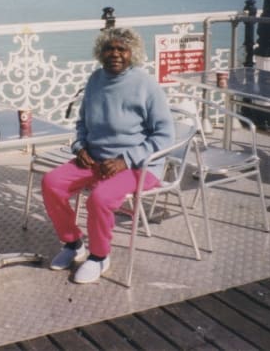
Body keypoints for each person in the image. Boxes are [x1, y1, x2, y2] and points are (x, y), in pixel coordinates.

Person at [41, 27, 174, 284]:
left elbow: (165, 135)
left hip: (139, 165)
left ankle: (99, 256)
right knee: (51, 183)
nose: (115, 54)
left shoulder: (145, 84)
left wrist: (126, 160)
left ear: (132, 53)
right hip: (96, 159)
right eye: (108, 49)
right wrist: (79, 147)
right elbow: (82, 123)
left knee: (100, 198)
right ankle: (73, 244)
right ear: (100, 53)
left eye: (122, 49)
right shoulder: (95, 79)